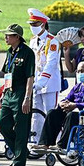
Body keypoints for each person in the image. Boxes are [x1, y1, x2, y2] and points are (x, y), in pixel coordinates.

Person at [33, 60, 84, 151]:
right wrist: (62, 103)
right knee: (52, 113)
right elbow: (68, 98)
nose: (79, 73)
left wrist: (76, 105)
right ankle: (45, 143)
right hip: (75, 111)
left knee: (71, 115)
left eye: (82, 71)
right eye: (78, 71)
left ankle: (62, 145)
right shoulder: (77, 87)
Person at [0, 24, 35, 166]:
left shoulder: (27, 53)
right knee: (2, 123)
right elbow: (7, 74)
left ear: (17, 37)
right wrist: (4, 92)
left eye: (9, 35)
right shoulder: (9, 52)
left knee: (21, 128)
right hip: (9, 93)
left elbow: (30, 77)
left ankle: (19, 161)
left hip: (21, 93)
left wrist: (27, 98)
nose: (5, 37)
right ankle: (21, 152)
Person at [27, 8, 61, 143]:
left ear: (43, 24)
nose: (32, 27)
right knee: (36, 115)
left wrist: (42, 81)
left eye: (35, 24)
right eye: (31, 24)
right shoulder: (32, 40)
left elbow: (51, 64)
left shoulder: (53, 41)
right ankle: (37, 142)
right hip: (36, 83)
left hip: (50, 83)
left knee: (50, 114)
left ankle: (54, 142)